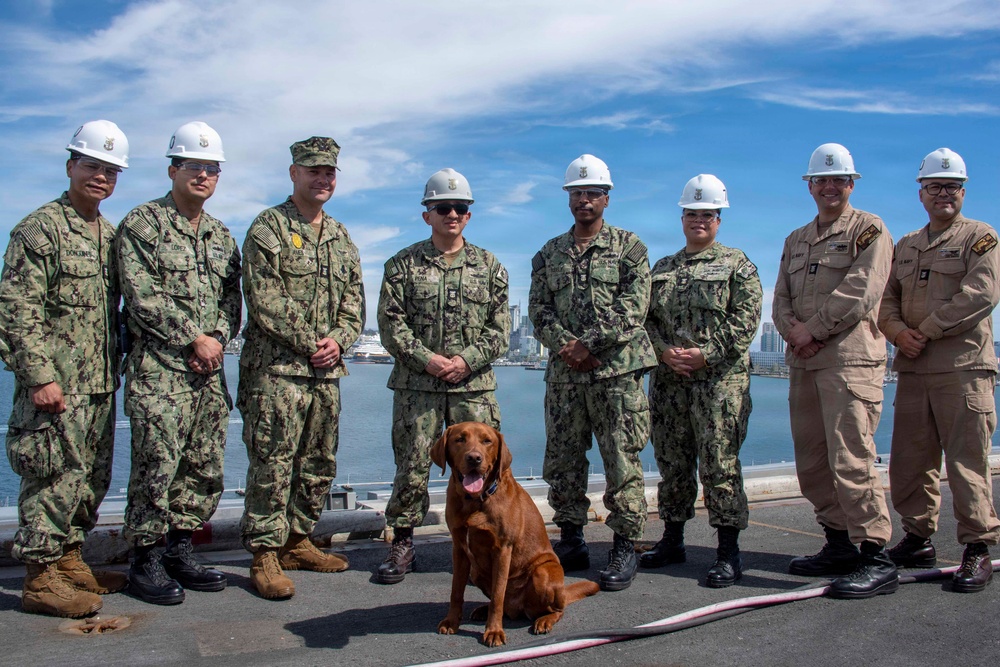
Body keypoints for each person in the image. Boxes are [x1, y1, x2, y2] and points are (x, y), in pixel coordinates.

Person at [0, 120, 130, 617]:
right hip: (56, 385)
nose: (101, 177)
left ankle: (71, 558)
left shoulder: (110, 235)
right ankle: (39, 577)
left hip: (98, 384)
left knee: (89, 479)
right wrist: (39, 377)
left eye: (111, 170)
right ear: (71, 165)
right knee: (50, 477)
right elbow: (16, 309)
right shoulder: (40, 229)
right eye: (93, 166)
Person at [115, 121, 242, 605]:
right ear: (173, 169)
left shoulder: (220, 235)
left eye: (213, 168)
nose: (205, 175)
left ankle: (179, 549)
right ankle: (144, 558)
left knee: (201, 464)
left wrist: (217, 338)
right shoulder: (143, 224)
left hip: (208, 375)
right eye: (195, 166)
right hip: (160, 371)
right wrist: (193, 337)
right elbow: (140, 294)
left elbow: (233, 301)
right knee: (156, 464)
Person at [238, 137, 365, 600]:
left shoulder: (340, 235)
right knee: (272, 463)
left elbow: (354, 301)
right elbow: (264, 298)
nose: (322, 179)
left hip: (324, 375)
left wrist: (341, 340)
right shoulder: (268, 228)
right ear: (293, 173)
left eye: (330, 172)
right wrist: (316, 342)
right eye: (313, 170)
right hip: (276, 373)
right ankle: (264, 553)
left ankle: (296, 540)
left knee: (317, 463)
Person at [772, 142, 897, 599]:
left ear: (851, 184)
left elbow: (862, 290)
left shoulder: (870, 230)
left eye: (838, 179)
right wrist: (793, 332)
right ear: (810, 186)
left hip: (849, 363)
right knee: (813, 462)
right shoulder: (796, 239)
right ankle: (839, 543)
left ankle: (875, 556)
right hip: (805, 363)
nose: (830, 187)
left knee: (852, 460)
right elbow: (781, 297)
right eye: (821, 180)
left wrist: (813, 330)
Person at [528, 154, 656, 592]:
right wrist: (568, 345)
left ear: (607, 197)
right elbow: (538, 310)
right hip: (565, 375)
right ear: (568, 198)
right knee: (562, 461)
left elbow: (635, 307)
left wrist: (589, 344)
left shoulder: (630, 249)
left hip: (616, 373)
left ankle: (623, 543)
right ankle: (572, 538)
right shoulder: (548, 253)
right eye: (577, 193)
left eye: (593, 193)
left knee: (621, 459)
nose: (584, 200)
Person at [375, 169, 510, 584]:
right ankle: (402, 542)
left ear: (468, 216)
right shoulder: (401, 265)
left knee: (486, 466)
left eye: (460, 208)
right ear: (427, 214)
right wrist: (428, 360)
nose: (452, 214)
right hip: (419, 386)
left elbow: (500, 327)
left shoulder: (489, 266)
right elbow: (391, 324)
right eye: (443, 208)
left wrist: (467, 360)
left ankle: (492, 539)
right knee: (412, 463)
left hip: (473, 387)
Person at [878, 148, 1000, 593]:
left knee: (967, 462)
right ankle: (917, 538)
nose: (943, 194)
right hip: (913, 370)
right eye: (935, 187)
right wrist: (896, 334)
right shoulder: (907, 245)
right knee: (911, 462)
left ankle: (977, 548)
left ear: (963, 192)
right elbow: (886, 300)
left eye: (951, 187)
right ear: (921, 193)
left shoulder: (980, 237)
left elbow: (980, 294)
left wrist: (923, 331)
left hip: (963, 370)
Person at [640, 175, 762, 588]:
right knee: (672, 463)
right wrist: (663, 352)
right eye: (692, 213)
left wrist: (704, 354)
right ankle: (673, 539)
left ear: (718, 218)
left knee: (720, 465)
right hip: (669, 382)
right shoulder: (663, 269)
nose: (699, 220)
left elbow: (746, 321)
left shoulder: (737, 265)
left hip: (719, 385)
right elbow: (646, 321)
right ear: (682, 217)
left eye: (707, 214)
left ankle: (728, 553)